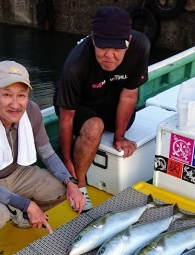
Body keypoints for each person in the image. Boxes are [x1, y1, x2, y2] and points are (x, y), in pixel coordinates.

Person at [0, 60, 85, 254]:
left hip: (16, 172)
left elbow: (48, 153)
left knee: (59, 189)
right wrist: (28, 205)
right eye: (7, 94)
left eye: (21, 95)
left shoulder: (32, 111)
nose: (15, 104)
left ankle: (18, 213)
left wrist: (71, 183)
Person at [54, 6, 150, 211]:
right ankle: (80, 183)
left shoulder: (141, 45)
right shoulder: (75, 65)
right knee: (95, 126)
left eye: (117, 48)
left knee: (115, 123)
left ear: (129, 41)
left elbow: (130, 94)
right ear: (93, 38)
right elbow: (67, 116)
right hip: (81, 105)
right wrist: (67, 161)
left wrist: (120, 136)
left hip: (112, 98)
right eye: (103, 47)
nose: (110, 56)